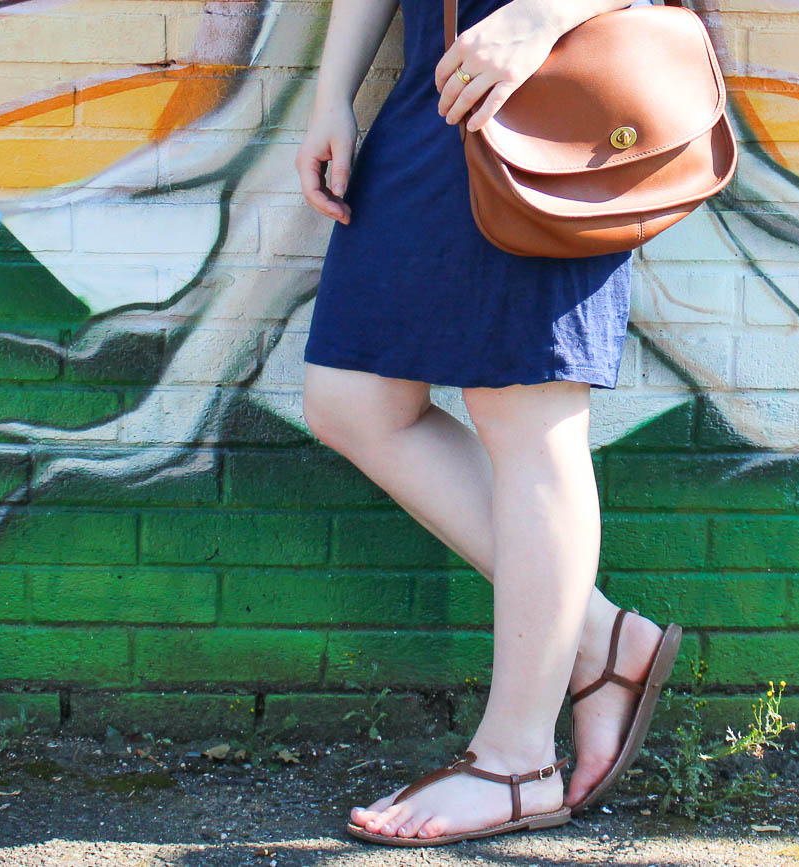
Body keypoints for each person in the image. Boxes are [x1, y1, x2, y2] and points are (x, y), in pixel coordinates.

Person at [295, 0, 682, 847]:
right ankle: (597, 636)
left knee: (529, 411)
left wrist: (543, 15)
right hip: (432, 90)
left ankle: (518, 763)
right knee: (351, 399)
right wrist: (333, 96)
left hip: (555, 97)